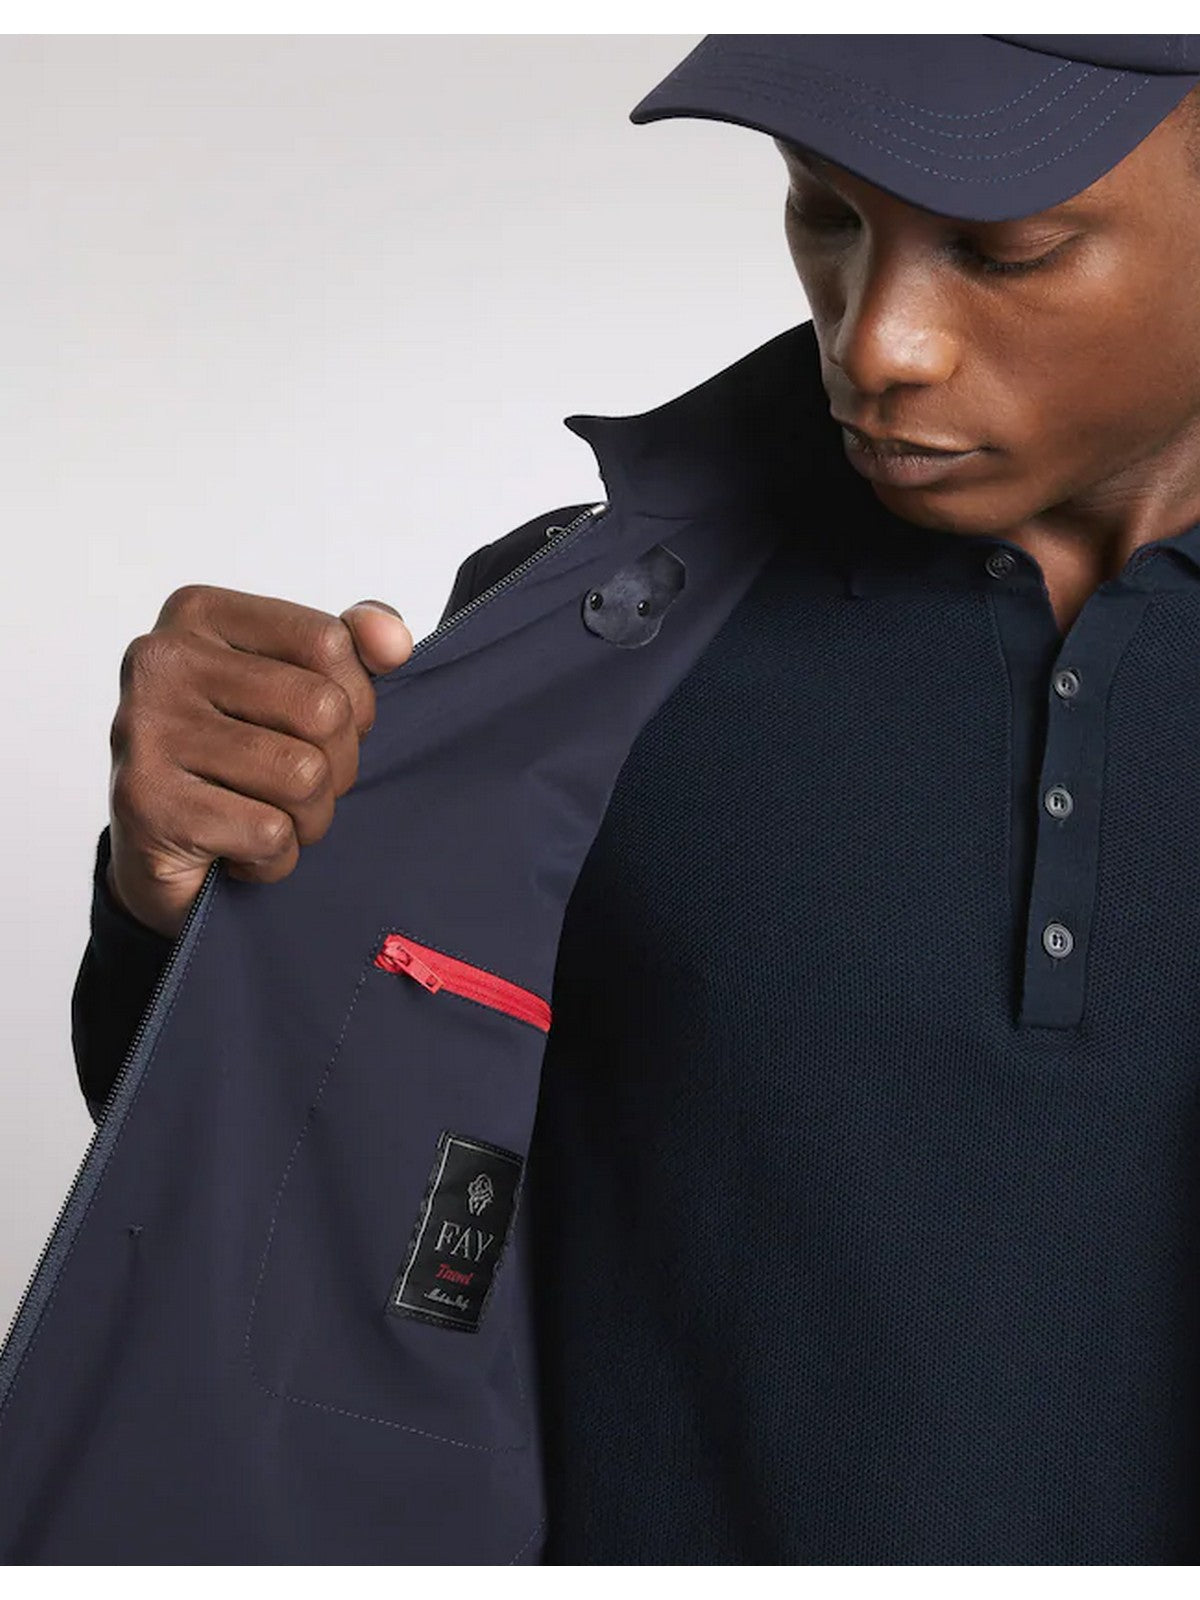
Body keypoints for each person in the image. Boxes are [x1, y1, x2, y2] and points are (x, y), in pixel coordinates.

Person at [69, 36, 1200, 1563]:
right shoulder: (585, 642)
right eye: (828, 214)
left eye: (1005, 251)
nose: (880, 341)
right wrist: (182, 894)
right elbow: (283, 1182)